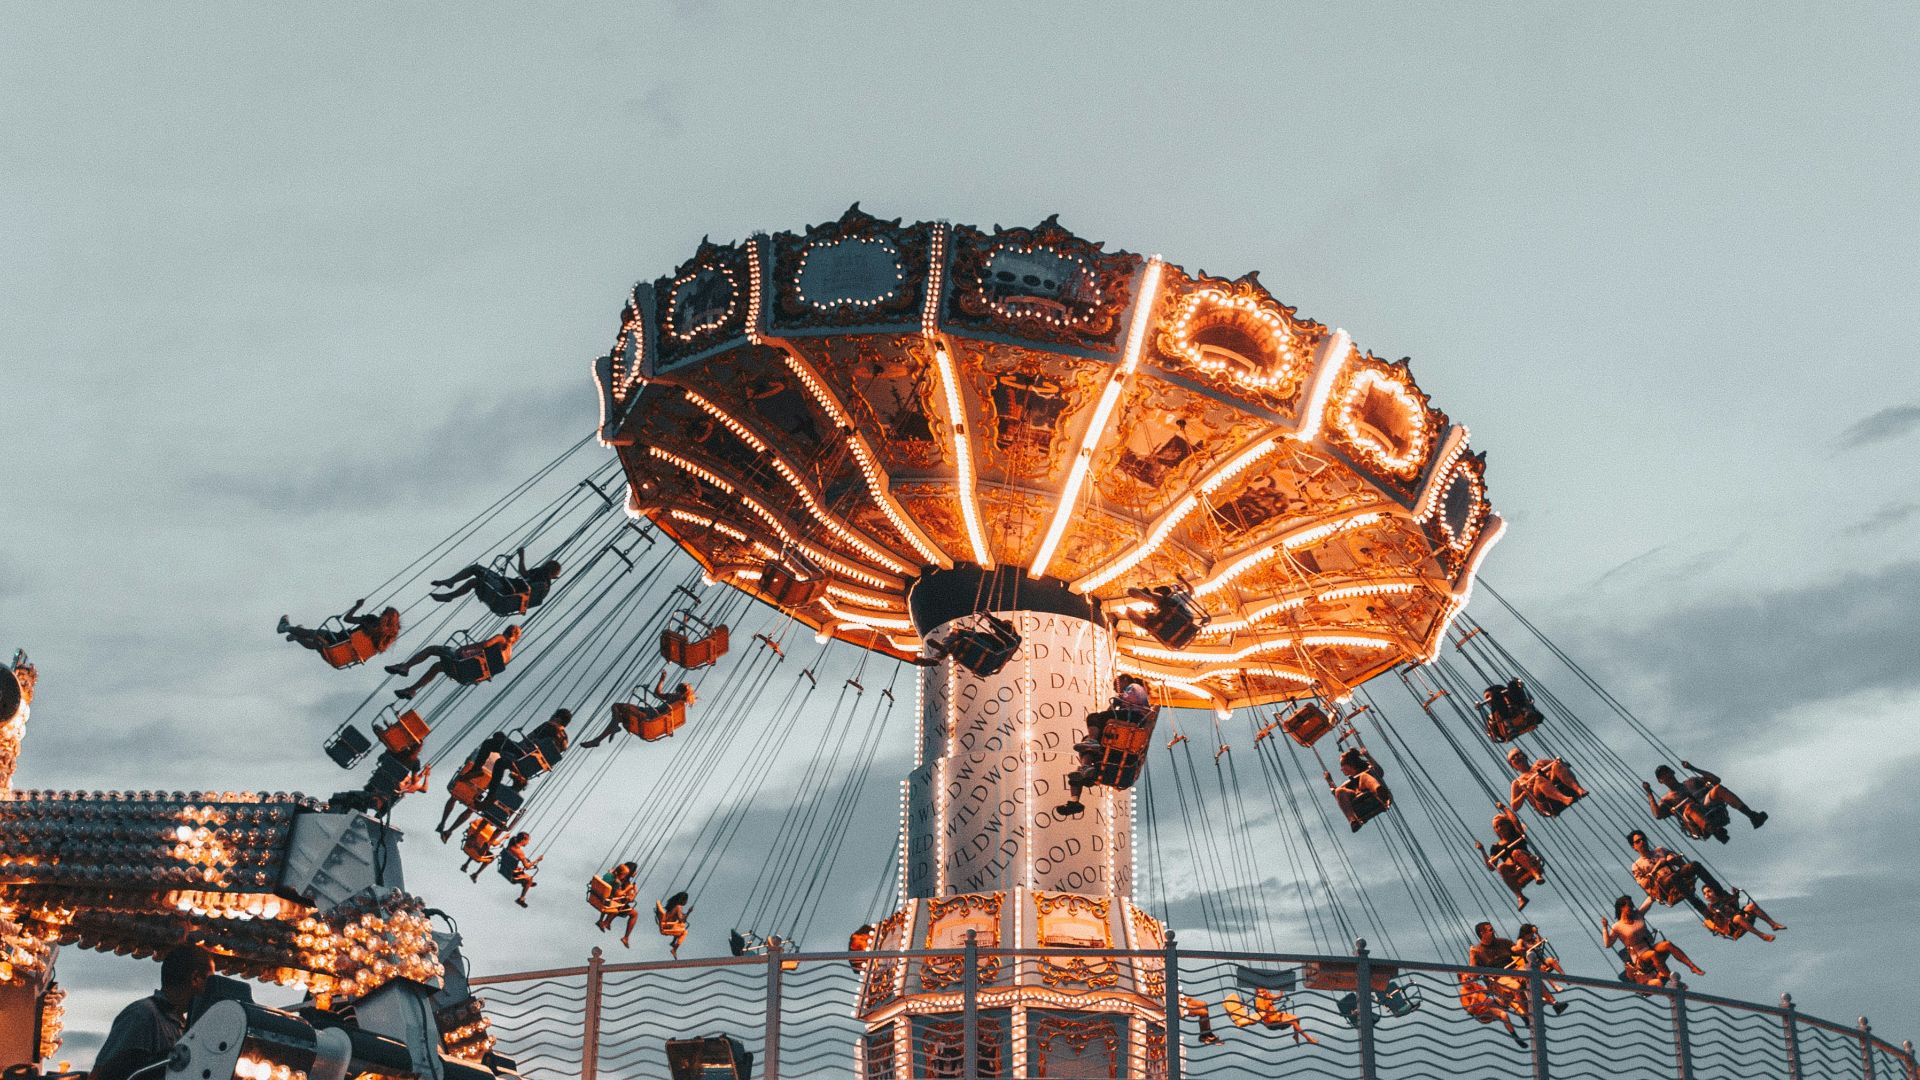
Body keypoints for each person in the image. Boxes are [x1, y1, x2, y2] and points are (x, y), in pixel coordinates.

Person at [91, 945, 214, 1080]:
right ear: (195, 978)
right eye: (210, 980)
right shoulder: (142, 1015)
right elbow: (100, 1074)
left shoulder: (184, 1027)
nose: (211, 989)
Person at [386, 625, 522, 700]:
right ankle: (411, 690)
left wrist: (465, 648)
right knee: (437, 667)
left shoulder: (501, 638)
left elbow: (484, 645)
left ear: (507, 631)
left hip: (462, 663)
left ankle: (405, 666)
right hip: (467, 676)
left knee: (431, 649)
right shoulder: (508, 656)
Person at [1643, 761, 1766, 842]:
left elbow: (1716, 780)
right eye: (1663, 776)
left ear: (1673, 772)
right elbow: (1657, 814)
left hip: (1708, 809)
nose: (1667, 776)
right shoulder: (1667, 799)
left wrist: (1692, 768)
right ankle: (1715, 831)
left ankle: (1753, 816)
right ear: (1660, 781)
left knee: (1718, 789)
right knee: (1690, 806)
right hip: (1694, 821)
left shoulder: (1691, 782)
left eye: (1667, 772)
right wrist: (1649, 793)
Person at [1602, 895, 1704, 986]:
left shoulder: (1638, 915)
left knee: (1667, 944)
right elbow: (1608, 944)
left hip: (1649, 947)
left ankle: (1692, 967)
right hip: (1638, 956)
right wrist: (1605, 928)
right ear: (1622, 908)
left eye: (1632, 905)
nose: (1632, 907)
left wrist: (1654, 892)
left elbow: (1650, 899)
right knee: (1652, 954)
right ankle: (1670, 979)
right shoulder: (1617, 926)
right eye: (1629, 905)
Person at [432, 549, 563, 616]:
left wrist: (521, 555)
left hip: (504, 590)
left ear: (548, 568)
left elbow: (523, 572)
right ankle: (450, 595)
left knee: (475, 569)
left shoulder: (541, 575)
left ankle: (450, 583)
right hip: (506, 598)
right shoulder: (544, 588)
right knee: (475, 582)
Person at [278, 599, 402, 668]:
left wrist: (357, 606)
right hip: (342, 657)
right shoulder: (383, 643)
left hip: (339, 640)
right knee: (316, 644)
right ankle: (296, 637)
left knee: (312, 633)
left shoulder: (371, 620)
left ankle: (285, 626)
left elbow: (347, 619)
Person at [581, 676, 696, 748]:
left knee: (621, 709)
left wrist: (662, 680)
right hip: (650, 712)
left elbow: (660, 701)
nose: (675, 692)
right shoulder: (676, 701)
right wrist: (662, 680)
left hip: (651, 716)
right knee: (616, 708)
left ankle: (607, 732)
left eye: (677, 691)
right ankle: (601, 737)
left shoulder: (678, 703)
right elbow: (658, 694)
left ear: (681, 693)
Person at [1627, 830, 1719, 915]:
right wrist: (1656, 868)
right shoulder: (1636, 865)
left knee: (1694, 865)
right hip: (1662, 888)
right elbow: (1644, 885)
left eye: (1643, 839)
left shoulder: (1660, 850)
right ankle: (1701, 907)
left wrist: (1671, 857)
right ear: (1633, 847)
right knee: (1673, 877)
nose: (1642, 842)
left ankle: (1721, 893)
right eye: (1638, 841)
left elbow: (1674, 856)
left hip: (1675, 876)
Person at [1477, 807, 1546, 909]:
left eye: (1502, 824)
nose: (1500, 828)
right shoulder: (1496, 847)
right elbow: (1491, 867)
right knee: (1501, 867)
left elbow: (1515, 821)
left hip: (1529, 863)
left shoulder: (1517, 835)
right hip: (1516, 872)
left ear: (1508, 824)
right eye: (1497, 826)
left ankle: (1535, 874)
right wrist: (1482, 850)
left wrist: (1504, 808)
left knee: (1515, 853)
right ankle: (1520, 897)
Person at [1324, 745, 1392, 831]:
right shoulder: (1348, 784)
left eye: (1342, 765)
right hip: (1356, 797)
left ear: (1350, 764)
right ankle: (1353, 821)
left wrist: (1367, 755)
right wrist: (1329, 780)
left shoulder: (1367, 770)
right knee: (1339, 791)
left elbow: (1379, 771)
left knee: (1363, 777)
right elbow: (1337, 795)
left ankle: (1380, 792)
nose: (1341, 769)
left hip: (1369, 790)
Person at [1504, 748, 1588, 816]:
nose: (1517, 758)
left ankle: (1578, 789)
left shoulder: (1539, 763)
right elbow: (1514, 806)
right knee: (1538, 779)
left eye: (1518, 754)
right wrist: (1524, 794)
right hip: (1544, 803)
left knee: (1556, 765)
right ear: (1512, 765)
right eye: (1513, 758)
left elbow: (1562, 765)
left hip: (1556, 785)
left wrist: (1558, 763)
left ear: (1525, 756)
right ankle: (1564, 798)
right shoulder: (1517, 782)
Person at [1511, 923, 1569, 1015]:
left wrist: (1537, 933)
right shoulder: (1521, 940)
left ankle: (1565, 977)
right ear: (1525, 933)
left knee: (1551, 960)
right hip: (1533, 964)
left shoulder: (1533, 939)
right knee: (1539, 968)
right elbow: (1517, 947)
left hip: (1540, 961)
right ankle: (1554, 986)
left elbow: (1540, 942)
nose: (1531, 935)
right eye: (1530, 933)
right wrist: (1522, 948)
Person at [1699, 882, 1785, 942]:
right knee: (1738, 918)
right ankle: (1762, 936)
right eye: (1705, 893)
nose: (1707, 894)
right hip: (1731, 927)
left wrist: (1735, 895)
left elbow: (1735, 905)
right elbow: (1717, 923)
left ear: (1714, 891)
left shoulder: (1723, 898)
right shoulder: (1710, 908)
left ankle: (1773, 924)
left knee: (1751, 906)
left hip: (1740, 916)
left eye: (1709, 891)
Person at [591, 862, 641, 947]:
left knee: (614, 901)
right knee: (633, 913)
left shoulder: (610, 875)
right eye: (635, 871)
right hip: (610, 904)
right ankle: (623, 936)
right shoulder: (619, 882)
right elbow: (622, 895)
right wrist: (633, 890)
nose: (636, 873)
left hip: (598, 898)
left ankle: (603, 921)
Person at [1252, 987, 1318, 1044]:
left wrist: (1281, 990)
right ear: (1257, 990)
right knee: (1294, 1022)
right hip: (1271, 1022)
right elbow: (1262, 1013)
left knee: (1297, 1018)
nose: (1263, 990)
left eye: (1263, 988)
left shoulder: (1267, 994)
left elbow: (1278, 998)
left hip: (1276, 1016)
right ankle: (1308, 1038)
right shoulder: (1259, 999)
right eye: (1260, 989)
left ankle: (1295, 1035)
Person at [494, 832, 540, 907]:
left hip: (503, 867)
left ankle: (524, 882)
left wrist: (524, 859)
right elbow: (527, 866)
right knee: (529, 879)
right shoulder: (520, 852)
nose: (528, 843)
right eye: (528, 841)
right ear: (523, 840)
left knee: (519, 869)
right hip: (510, 875)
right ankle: (521, 899)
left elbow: (514, 843)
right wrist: (537, 860)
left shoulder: (511, 843)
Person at [655, 890, 692, 958]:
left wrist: (686, 914)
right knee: (684, 932)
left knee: (681, 925)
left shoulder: (674, 906)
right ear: (683, 900)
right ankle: (674, 949)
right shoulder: (678, 907)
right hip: (667, 927)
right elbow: (682, 919)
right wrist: (689, 912)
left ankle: (673, 942)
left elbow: (682, 919)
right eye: (686, 900)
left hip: (667, 925)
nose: (687, 902)